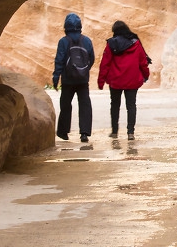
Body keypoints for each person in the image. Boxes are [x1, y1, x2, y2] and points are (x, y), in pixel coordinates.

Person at [96, 20, 151, 147]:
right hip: (132, 79)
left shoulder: (111, 44)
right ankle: (130, 132)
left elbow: (105, 63)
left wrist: (101, 81)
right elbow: (142, 61)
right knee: (131, 105)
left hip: (115, 80)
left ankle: (114, 131)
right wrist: (146, 75)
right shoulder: (136, 43)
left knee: (115, 105)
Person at [53, 13, 95, 144]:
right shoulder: (87, 41)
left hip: (68, 79)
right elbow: (91, 58)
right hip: (83, 79)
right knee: (85, 104)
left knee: (65, 104)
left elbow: (59, 60)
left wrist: (56, 77)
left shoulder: (63, 41)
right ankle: (84, 133)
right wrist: (84, 70)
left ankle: (63, 132)